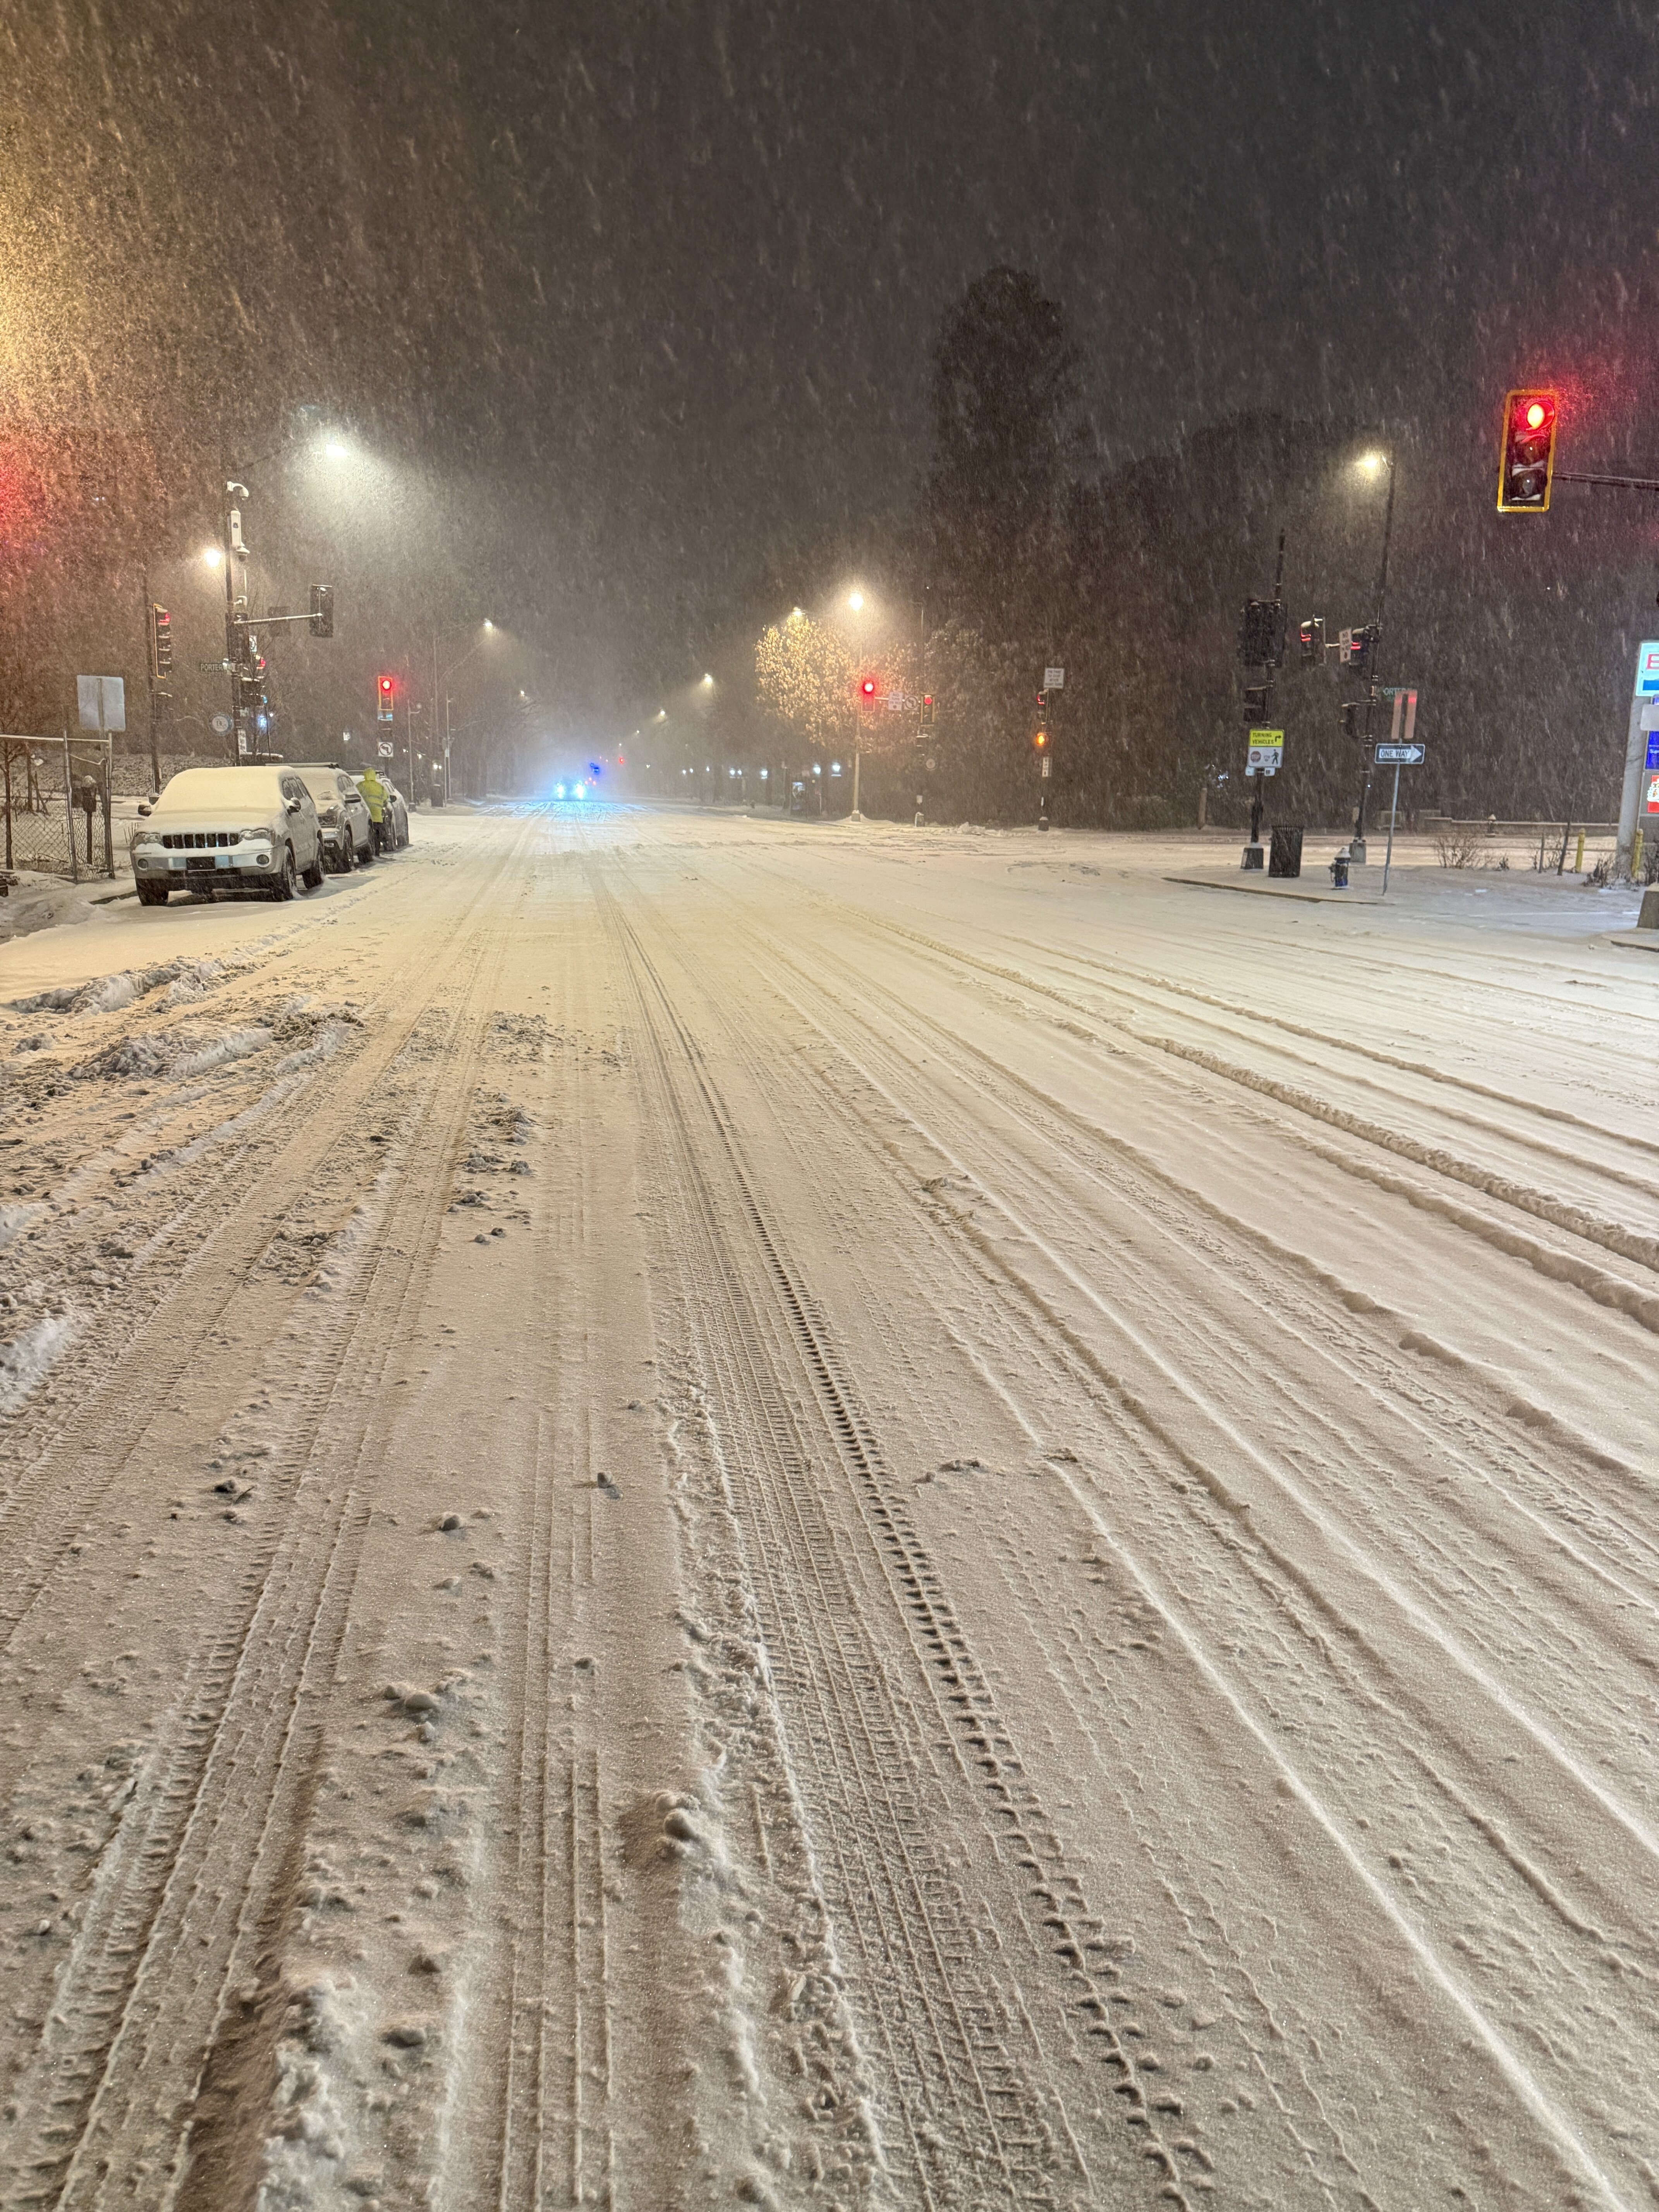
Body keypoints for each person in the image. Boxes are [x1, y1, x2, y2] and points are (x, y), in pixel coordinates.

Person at [360, 766, 390, 853]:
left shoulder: (361, 786)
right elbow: (386, 798)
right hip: (377, 815)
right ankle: (377, 850)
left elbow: (357, 796)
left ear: (366, 775)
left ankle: (369, 850)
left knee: (367, 834)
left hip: (366, 815)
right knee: (377, 833)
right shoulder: (380, 787)